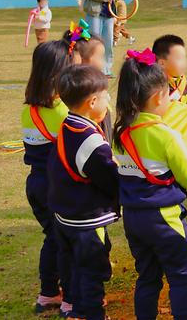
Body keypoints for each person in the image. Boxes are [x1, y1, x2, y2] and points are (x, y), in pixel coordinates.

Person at [113, 49, 187, 320]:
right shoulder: (167, 136)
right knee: (180, 276)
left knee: (147, 276)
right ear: (158, 97)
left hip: (133, 218)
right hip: (164, 220)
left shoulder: (119, 133)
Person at [49, 65, 118, 320]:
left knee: (73, 265)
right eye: (106, 96)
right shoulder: (90, 141)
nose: (109, 100)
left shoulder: (67, 124)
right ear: (92, 102)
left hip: (65, 215)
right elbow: (110, 180)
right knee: (92, 271)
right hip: (86, 220)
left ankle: (73, 307)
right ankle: (92, 313)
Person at [22, 40, 73, 316]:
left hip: (36, 184)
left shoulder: (28, 108)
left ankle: (48, 294)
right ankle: (69, 300)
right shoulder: (61, 112)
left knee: (51, 237)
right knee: (64, 241)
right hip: (58, 186)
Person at [152, 35, 187, 109]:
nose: (184, 62)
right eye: (179, 58)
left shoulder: (184, 83)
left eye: (184, 58)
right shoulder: (155, 85)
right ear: (162, 63)